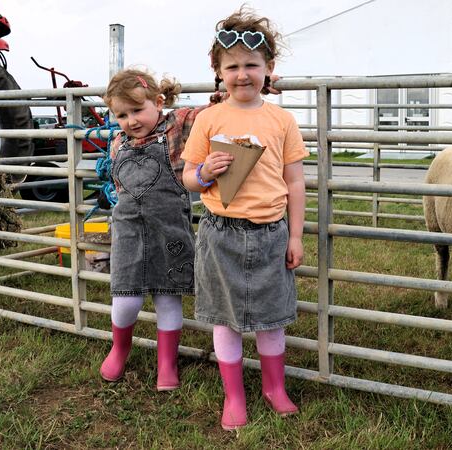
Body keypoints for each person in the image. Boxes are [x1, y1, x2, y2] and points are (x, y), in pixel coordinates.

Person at [181, 7, 308, 430]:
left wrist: (295, 236)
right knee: (225, 319)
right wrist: (203, 173)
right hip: (221, 233)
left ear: (268, 68)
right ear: (217, 71)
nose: (242, 74)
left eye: (251, 65)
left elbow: (295, 181)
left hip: (272, 233)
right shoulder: (208, 119)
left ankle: (274, 387)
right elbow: (187, 178)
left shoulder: (282, 119)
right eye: (231, 66)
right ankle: (234, 396)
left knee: (272, 320)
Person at [99, 69, 206, 392]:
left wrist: (227, 95)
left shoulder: (176, 124)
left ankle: (166, 362)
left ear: (158, 102)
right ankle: (120, 347)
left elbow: (213, 112)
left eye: (137, 110)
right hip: (129, 230)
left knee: (168, 297)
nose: (131, 120)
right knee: (126, 298)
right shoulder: (118, 142)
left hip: (169, 228)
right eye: (121, 114)